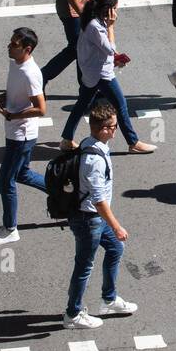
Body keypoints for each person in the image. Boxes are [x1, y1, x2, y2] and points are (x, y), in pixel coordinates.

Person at [64, 102, 137, 329]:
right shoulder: (94, 160)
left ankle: (109, 298)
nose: (116, 130)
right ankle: (73, 314)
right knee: (84, 266)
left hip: (93, 218)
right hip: (89, 220)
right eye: (113, 126)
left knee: (115, 248)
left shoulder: (91, 143)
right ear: (104, 129)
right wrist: (116, 226)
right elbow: (98, 200)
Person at [60, 0, 156, 154]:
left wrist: (114, 60)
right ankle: (133, 143)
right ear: (109, 10)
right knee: (121, 105)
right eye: (115, 9)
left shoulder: (92, 21)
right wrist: (111, 26)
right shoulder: (96, 27)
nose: (116, 13)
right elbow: (109, 48)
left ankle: (67, 139)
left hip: (91, 72)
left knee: (82, 104)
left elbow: (101, 50)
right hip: (100, 74)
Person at [0, 28, 48, 246]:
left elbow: (41, 109)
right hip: (15, 131)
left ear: (27, 49)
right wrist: (2, 98)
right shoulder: (16, 63)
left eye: (14, 44)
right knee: (23, 174)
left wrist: (13, 115)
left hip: (22, 135)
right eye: (10, 42)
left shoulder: (30, 73)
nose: (9, 47)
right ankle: (69, 194)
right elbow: (16, 91)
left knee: (6, 180)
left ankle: (10, 229)